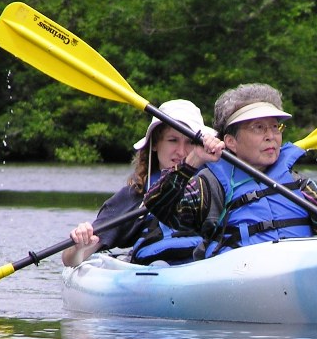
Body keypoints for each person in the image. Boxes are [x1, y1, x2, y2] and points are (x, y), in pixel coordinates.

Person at [144, 83, 317, 260]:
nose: (270, 136)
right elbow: (159, 205)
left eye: (275, 126)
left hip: (299, 269)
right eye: (258, 127)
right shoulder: (210, 184)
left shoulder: (300, 185)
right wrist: (193, 159)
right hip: (240, 274)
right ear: (231, 142)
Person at [61, 99, 216, 267]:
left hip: (205, 270)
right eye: (173, 140)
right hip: (157, 271)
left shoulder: (214, 188)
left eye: (190, 142)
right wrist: (79, 246)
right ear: (155, 143)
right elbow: (71, 260)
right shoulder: (134, 197)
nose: (181, 151)